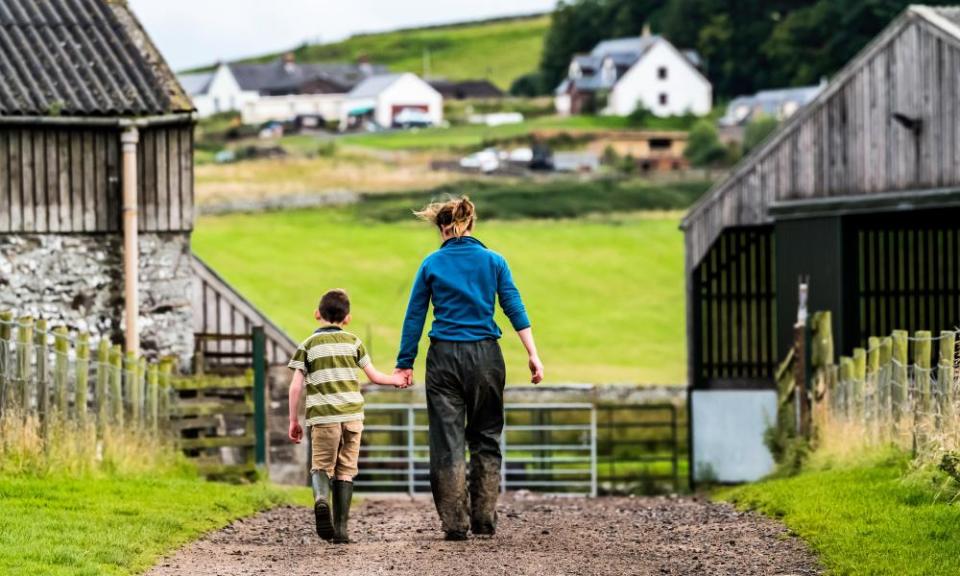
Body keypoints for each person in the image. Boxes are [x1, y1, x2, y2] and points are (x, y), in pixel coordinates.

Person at [394, 196, 544, 541]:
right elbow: (514, 307)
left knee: (447, 442)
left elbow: (414, 316)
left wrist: (405, 363)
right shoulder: (494, 261)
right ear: (471, 224)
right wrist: (533, 354)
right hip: (486, 358)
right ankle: (484, 519)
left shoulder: (431, 264)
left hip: (444, 357)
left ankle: (454, 524)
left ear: (441, 228)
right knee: (486, 437)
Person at [288, 289, 407, 543]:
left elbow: (295, 386)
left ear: (317, 314)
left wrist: (293, 421)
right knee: (345, 471)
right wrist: (396, 379)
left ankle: (321, 499)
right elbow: (375, 377)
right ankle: (341, 531)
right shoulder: (353, 342)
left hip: (324, 418)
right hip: (352, 417)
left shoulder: (307, 346)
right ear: (347, 318)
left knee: (321, 467)